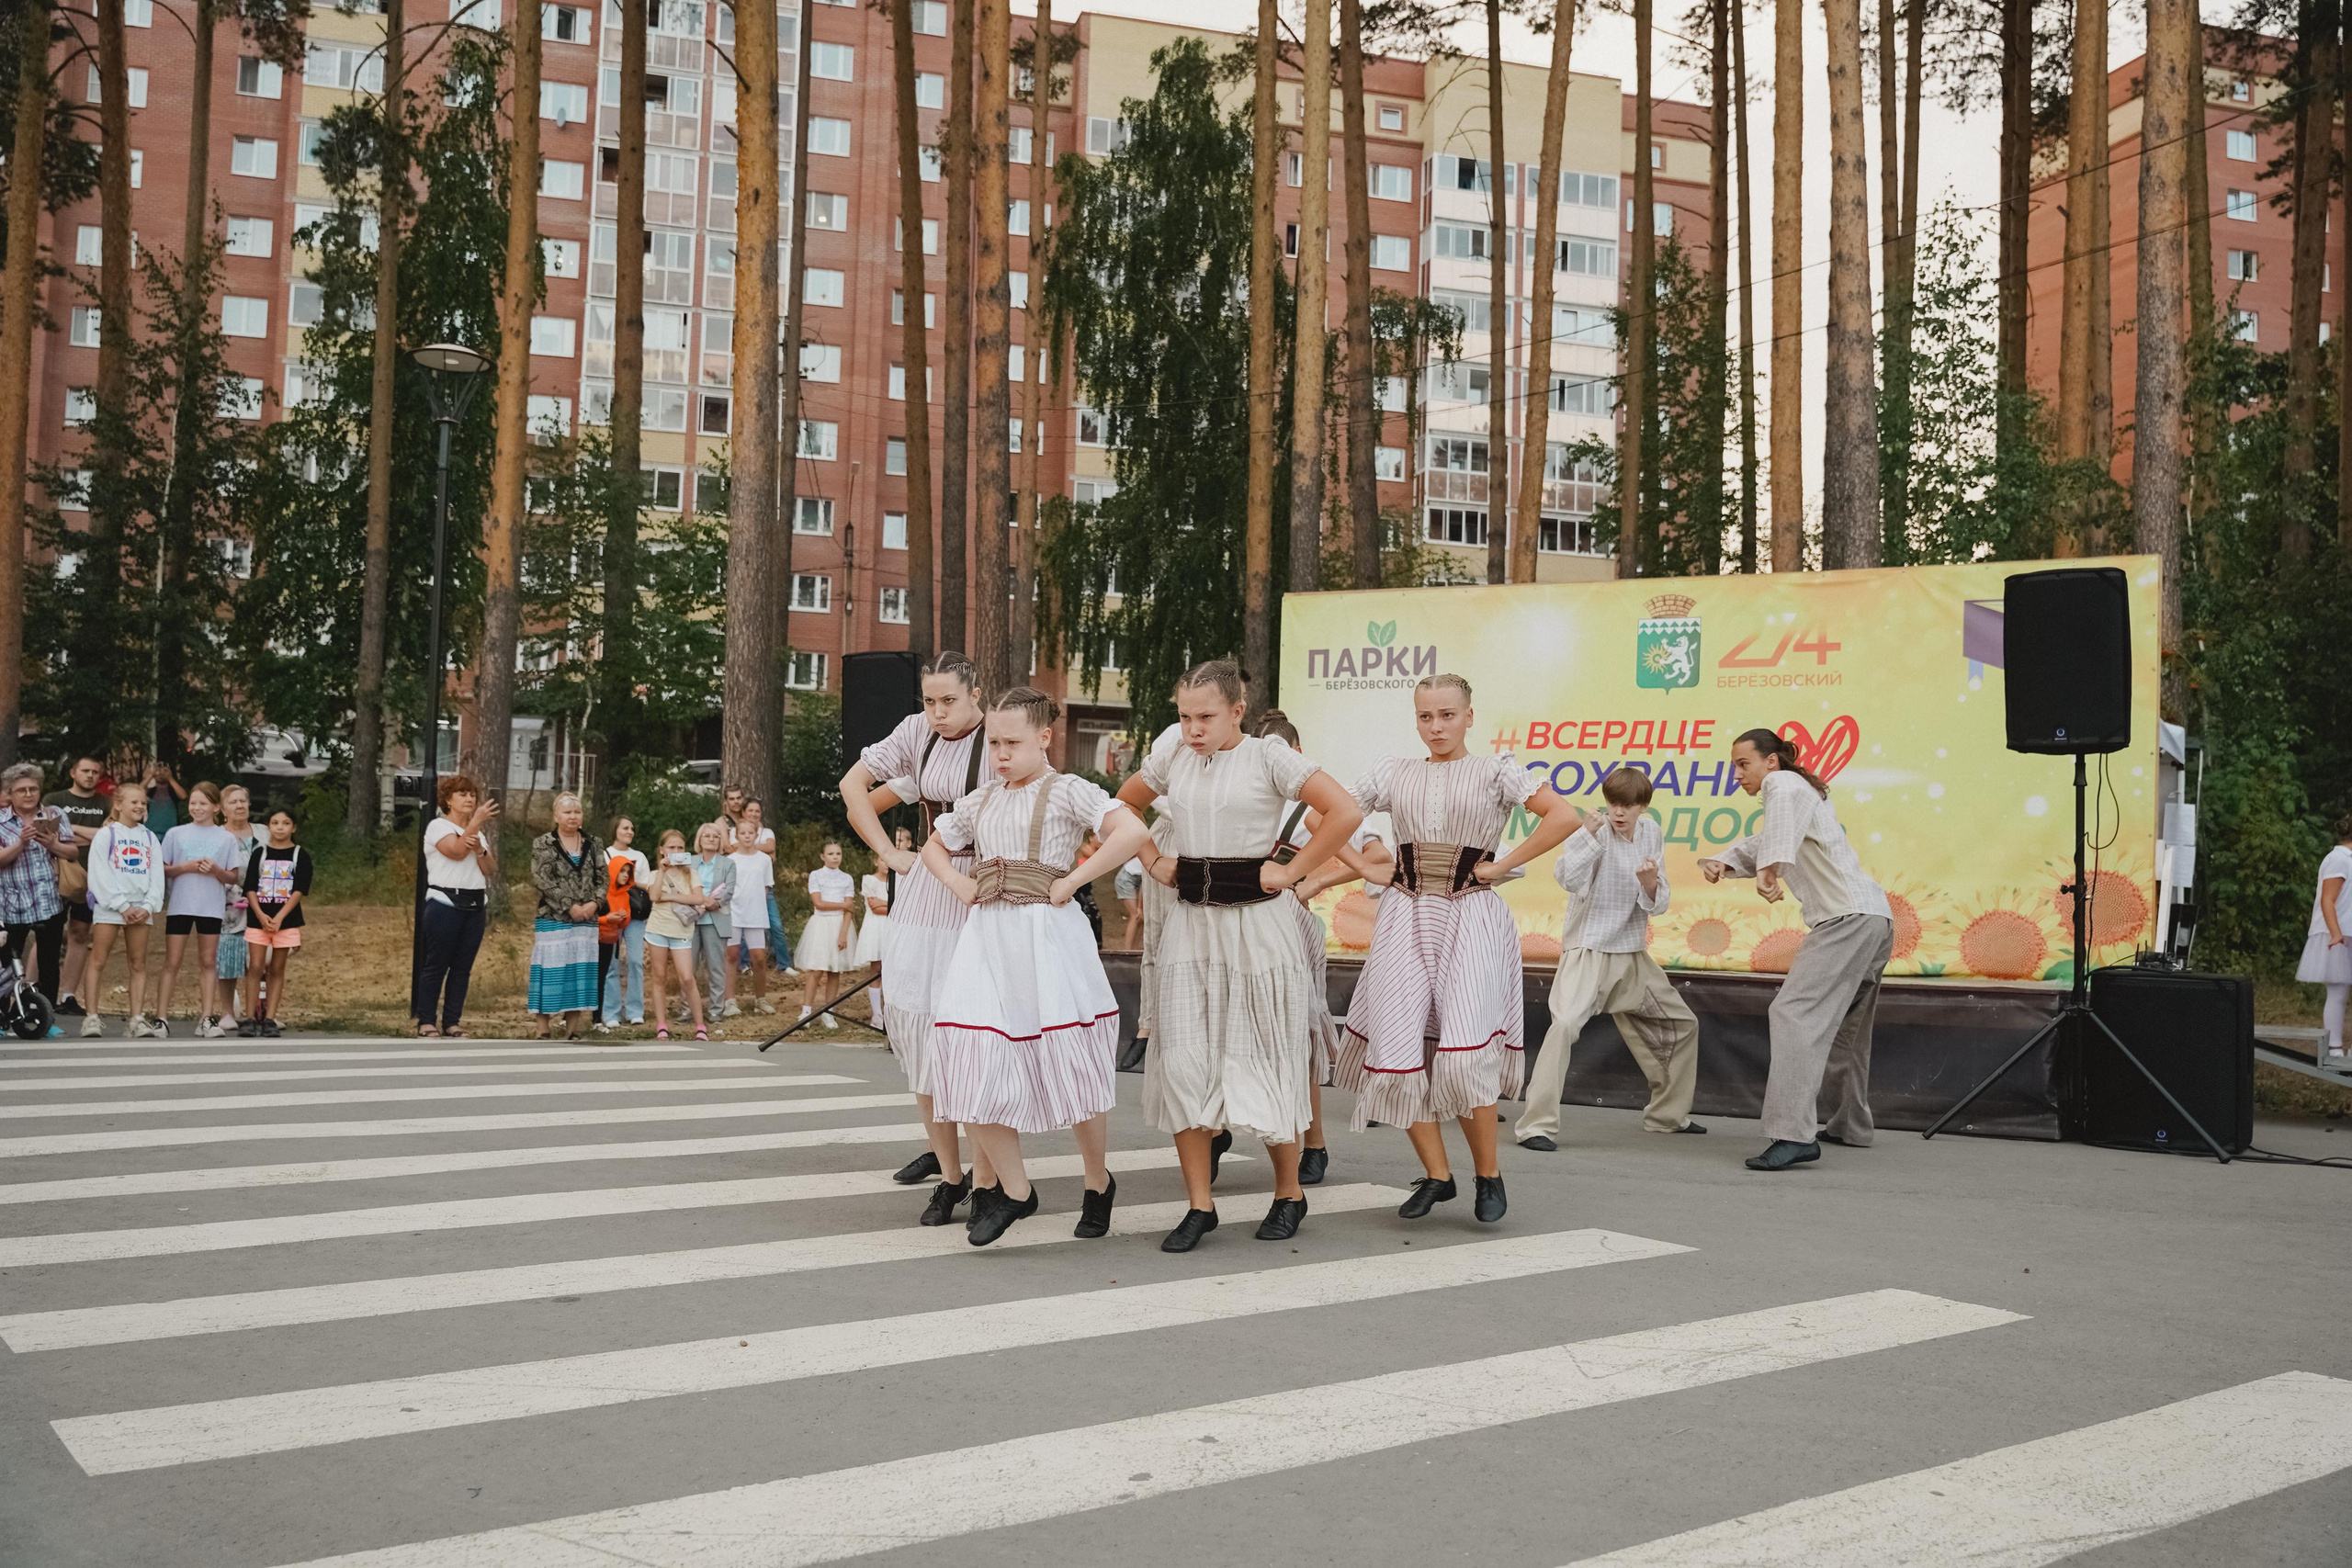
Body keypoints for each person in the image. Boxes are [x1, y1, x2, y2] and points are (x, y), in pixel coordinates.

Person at [1116, 660, 1363, 1252]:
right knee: (1184, 1061)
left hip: (1258, 927)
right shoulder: (1174, 755)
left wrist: (1294, 871)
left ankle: (1289, 1193)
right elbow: (1121, 806)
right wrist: (1153, 860)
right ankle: (1199, 1206)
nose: (1193, 728)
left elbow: (1346, 811)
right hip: (1191, 926)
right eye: (1184, 716)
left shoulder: (1268, 756)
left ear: (1237, 710)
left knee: (1267, 1056)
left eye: (1205, 716)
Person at [1331, 674, 1577, 1224]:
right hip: (1404, 915)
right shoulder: (1393, 772)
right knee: (1399, 1048)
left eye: (1447, 715)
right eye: (1425, 716)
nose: (1436, 727)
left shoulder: (1495, 771)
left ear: (1469, 716)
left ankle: (1488, 1175)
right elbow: (1327, 814)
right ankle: (1438, 1176)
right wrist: (1363, 865)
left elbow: (1565, 816)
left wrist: (1503, 864)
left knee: (1465, 1055)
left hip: (1471, 915)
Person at [922, 687, 1154, 1244]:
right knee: (970, 1064)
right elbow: (934, 847)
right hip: (987, 941)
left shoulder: (1067, 790)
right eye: (993, 743)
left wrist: (1074, 880)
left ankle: (1097, 1181)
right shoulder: (981, 799)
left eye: (1013, 743)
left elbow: (1133, 831)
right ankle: (1018, 1190)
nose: (1001, 754)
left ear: (1044, 737)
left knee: (1071, 1065)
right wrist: (959, 883)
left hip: (1047, 941)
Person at [838, 649, 994, 1213]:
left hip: (985, 886)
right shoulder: (915, 732)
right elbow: (854, 787)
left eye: (949, 700)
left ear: (976, 694)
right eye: (930, 701)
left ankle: (988, 1178)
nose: (938, 712)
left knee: (976, 1035)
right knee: (920, 1029)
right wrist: (887, 853)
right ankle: (949, 1175)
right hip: (928, 887)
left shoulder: (999, 736)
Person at [1698, 727, 1895, 1172]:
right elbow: (1768, 838)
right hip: (1873, 918)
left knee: (1793, 1013)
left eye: (1743, 764)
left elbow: (1776, 832)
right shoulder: (1801, 794)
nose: (1737, 774)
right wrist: (1726, 860)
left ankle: (1792, 1135)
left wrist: (1769, 870)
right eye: (1733, 766)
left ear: (1771, 761)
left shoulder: (1783, 783)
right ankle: (1850, 1125)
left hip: (1846, 920)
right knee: (1847, 1031)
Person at [1516, 767, 1705, 1151]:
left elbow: (1658, 902)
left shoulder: (1651, 832)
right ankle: (1536, 1126)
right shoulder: (1595, 830)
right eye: (1614, 803)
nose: (1619, 812)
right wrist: (1586, 837)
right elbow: (1568, 880)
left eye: (1628, 805)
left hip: (1632, 953)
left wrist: (1650, 884)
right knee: (1563, 1026)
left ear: (1642, 806)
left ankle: (1667, 1117)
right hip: (1588, 949)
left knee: (1683, 1024)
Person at [1255, 709, 1388, 1187]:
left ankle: (1313, 1142)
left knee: (1298, 1033)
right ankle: (1216, 1130)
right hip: (1236, 920)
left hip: (1288, 923)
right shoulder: (1243, 798)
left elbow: (1378, 858)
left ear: (1297, 754)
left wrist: (1313, 881)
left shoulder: (1315, 806)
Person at [81, 782, 166, 1038]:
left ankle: (136, 1019)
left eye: (143, 803)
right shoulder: (106, 835)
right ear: (118, 804)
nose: (140, 806)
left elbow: (157, 875)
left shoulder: (149, 837)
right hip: (111, 907)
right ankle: (91, 1017)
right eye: (134, 802)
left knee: (138, 962)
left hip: (141, 909)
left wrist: (148, 906)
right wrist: (122, 905)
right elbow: (99, 874)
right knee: (98, 959)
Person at [415, 775, 498, 1038]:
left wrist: (481, 850)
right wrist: (475, 824)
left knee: (462, 968)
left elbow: (490, 869)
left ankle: (452, 1022)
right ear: (448, 800)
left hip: (475, 903)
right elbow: (456, 851)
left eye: (472, 794)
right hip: (445, 902)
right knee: (436, 964)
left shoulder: (478, 833)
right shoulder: (438, 826)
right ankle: (426, 1021)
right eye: (462, 794)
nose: (469, 799)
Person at [157, 782, 243, 1036]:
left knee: (208, 961)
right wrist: (184, 867)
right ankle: (161, 1018)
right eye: (193, 803)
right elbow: (162, 868)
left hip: (210, 907)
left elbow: (233, 876)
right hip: (181, 904)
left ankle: (206, 1017)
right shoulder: (176, 833)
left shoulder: (226, 838)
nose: (197, 808)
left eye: (203, 803)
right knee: (172, 961)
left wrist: (215, 870)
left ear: (216, 807)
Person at [527, 793, 605, 1040]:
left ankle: (572, 1029)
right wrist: (569, 905)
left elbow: (603, 877)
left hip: (587, 920)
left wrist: (594, 903)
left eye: (577, 812)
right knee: (550, 970)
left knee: (579, 971)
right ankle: (543, 1028)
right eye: (567, 812)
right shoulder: (543, 843)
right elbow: (542, 879)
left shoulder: (594, 843)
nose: (573, 816)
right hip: (554, 918)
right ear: (556, 816)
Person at [0, 762, 73, 1015]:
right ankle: (4, 1016)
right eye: (22, 790)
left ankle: (45, 1016)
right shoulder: (1, 821)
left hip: (48, 901)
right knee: (6, 963)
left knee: (49, 962)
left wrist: (53, 843)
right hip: (12, 903)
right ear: (10, 793)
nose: (29, 794)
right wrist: (20, 843)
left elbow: (72, 852)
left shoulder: (54, 814)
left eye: (33, 789)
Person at [42, 754, 108, 1018]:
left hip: (92, 878)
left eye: (95, 772)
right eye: (85, 770)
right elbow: (48, 835)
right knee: (48, 934)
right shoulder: (55, 799)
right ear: (73, 773)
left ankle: (68, 996)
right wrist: (89, 837)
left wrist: (71, 829)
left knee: (80, 933)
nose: (90, 775)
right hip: (57, 875)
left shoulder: (106, 802)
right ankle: (33, 990)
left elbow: (109, 836)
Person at [239, 808, 311, 1038]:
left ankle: (270, 1018)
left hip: (286, 921)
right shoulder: (259, 853)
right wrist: (261, 915)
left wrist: (280, 917)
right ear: (268, 826)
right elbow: (250, 888)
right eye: (275, 822)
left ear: (294, 827)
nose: (280, 827)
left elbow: (299, 890)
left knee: (277, 969)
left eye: (286, 823)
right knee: (255, 966)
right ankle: (250, 1018)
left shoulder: (300, 855)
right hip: (258, 920)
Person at [643, 829, 712, 1041]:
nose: (676, 851)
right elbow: (654, 896)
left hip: (681, 930)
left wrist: (670, 896)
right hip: (658, 928)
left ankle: (700, 1026)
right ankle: (662, 1025)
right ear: (662, 850)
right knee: (659, 977)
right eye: (671, 847)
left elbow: (698, 899)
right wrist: (662, 872)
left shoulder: (692, 874)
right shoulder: (655, 874)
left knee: (687, 978)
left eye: (680, 848)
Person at [2297, 813, 2352, 1065]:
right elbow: (2327, 900)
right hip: (2338, 933)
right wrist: (2335, 932)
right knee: (2338, 990)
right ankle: (2334, 1047)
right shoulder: (2338, 859)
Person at [795, 841, 857, 1028]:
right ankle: (806, 1011)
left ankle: (829, 1012)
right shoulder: (816, 875)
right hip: (821, 925)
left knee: (834, 970)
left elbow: (849, 909)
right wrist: (843, 905)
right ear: (823, 857)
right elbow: (819, 903)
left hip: (839, 925)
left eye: (838, 853)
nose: (835, 857)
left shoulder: (847, 878)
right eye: (830, 854)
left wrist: (844, 933)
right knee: (816, 969)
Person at [726, 800, 778, 1016]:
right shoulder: (730, 860)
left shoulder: (764, 860)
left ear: (756, 835)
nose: (747, 836)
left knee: (758, 958)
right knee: (732, 956)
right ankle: (729, 1001)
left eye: (751, 833)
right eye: (743, 833)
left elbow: (766, 887)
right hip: (733, 913)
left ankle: (761, 999)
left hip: (756, 913)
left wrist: (758, 907)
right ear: (736, 836)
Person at [599, 815, 650, 1031]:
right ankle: (611, 1011)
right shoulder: (604, 854)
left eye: (632, 829)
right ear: (615, 830)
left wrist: (630, 880)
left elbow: (646, 885)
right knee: (611, 963)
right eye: (625, 828)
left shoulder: (640, 856)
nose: (630, 832)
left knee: (635, 961)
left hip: (635, 913)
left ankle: (635, 1010)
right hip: (612, 912)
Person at [686, 821, 737, 1029]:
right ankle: (687, 1010)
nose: (711, 839)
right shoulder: (689, 862)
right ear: (699, 840)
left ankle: (716, 1010)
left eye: (716, 836)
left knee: (716, 968)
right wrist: (698, 903)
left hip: (715, 920)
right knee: (688, 968)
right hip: (690, 920)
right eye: (707, 836)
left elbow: (729, 890)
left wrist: (711, 903)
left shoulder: (728, 864)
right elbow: (682, 886)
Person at [853, 829, 906, 1020]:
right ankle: (877, 1013)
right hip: (876, 928)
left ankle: (893, 1011)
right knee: (876, 969)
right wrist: (894, 904)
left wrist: (888, 904)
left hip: (895, 927)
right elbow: (874, 907)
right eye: (881, 860)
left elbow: (904, 907)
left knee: (895, 969)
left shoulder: (900, 879)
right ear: (876, 861)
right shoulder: (869, 880)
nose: (885, 863)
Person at [217, 785, 259, 1025]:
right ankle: (227, 1012)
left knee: (261, 960)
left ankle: (261, 1013)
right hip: (228, 906)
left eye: (243, 801)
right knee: (228, 958)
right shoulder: (217, 835)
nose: (240, 806)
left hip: (262, 904)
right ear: (223, 809)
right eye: (233, 802)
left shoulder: (264, 832)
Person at [141, 761, 187, 836]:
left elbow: (183, 796)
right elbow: (137, 790)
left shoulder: (173, 792)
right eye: (158, 771)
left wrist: (170, 778)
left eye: (165, 771)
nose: (161, 774)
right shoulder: (151, 792)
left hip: (171, 833)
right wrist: (151, 775)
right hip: (151, 833)